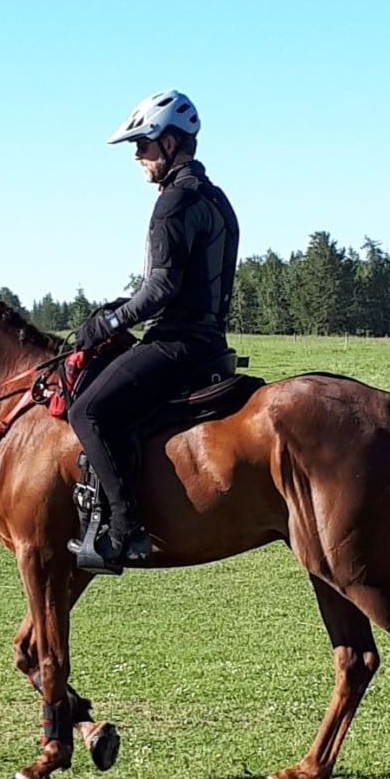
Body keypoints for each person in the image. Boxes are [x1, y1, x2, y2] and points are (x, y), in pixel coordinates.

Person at [67, 89, 240, 571]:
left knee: (87, 411)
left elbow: (162, 289)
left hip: (177, 343)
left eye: (143, 145)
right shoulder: (217, 199)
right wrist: (117, 307)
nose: (138, 157)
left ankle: (124, 529)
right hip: (211, 342)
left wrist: (111, 321)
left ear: (170, 143)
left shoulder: (173, 203)